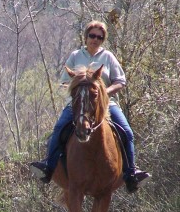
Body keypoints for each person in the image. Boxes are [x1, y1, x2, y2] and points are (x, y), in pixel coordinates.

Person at [30, 20, 151, 193]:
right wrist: (78, 88)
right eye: (92, 36)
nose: (95, 39)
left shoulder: (108, 57)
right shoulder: (75, 56)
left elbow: (120, 81)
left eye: (99, 37)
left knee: (127, 132)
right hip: (78, 104)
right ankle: (48, 167)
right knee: (58, 129)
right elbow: (64, 81)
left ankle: (131, 173)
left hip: (106, 104)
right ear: (86, 37)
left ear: (103, 40)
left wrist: (104, 92)